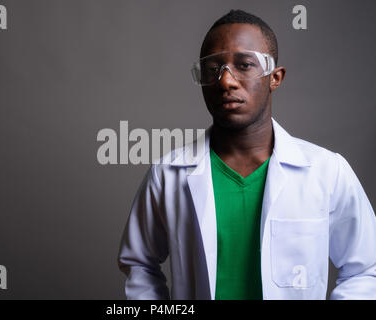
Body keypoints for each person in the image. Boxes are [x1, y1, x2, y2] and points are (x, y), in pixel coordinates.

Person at [117, 9, 376, 300]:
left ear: (275, 78)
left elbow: (367, 269)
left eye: (244, 65)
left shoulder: (327, 171)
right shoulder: (168, 174)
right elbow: (139, 263)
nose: (226, 81)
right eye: (213, 68)